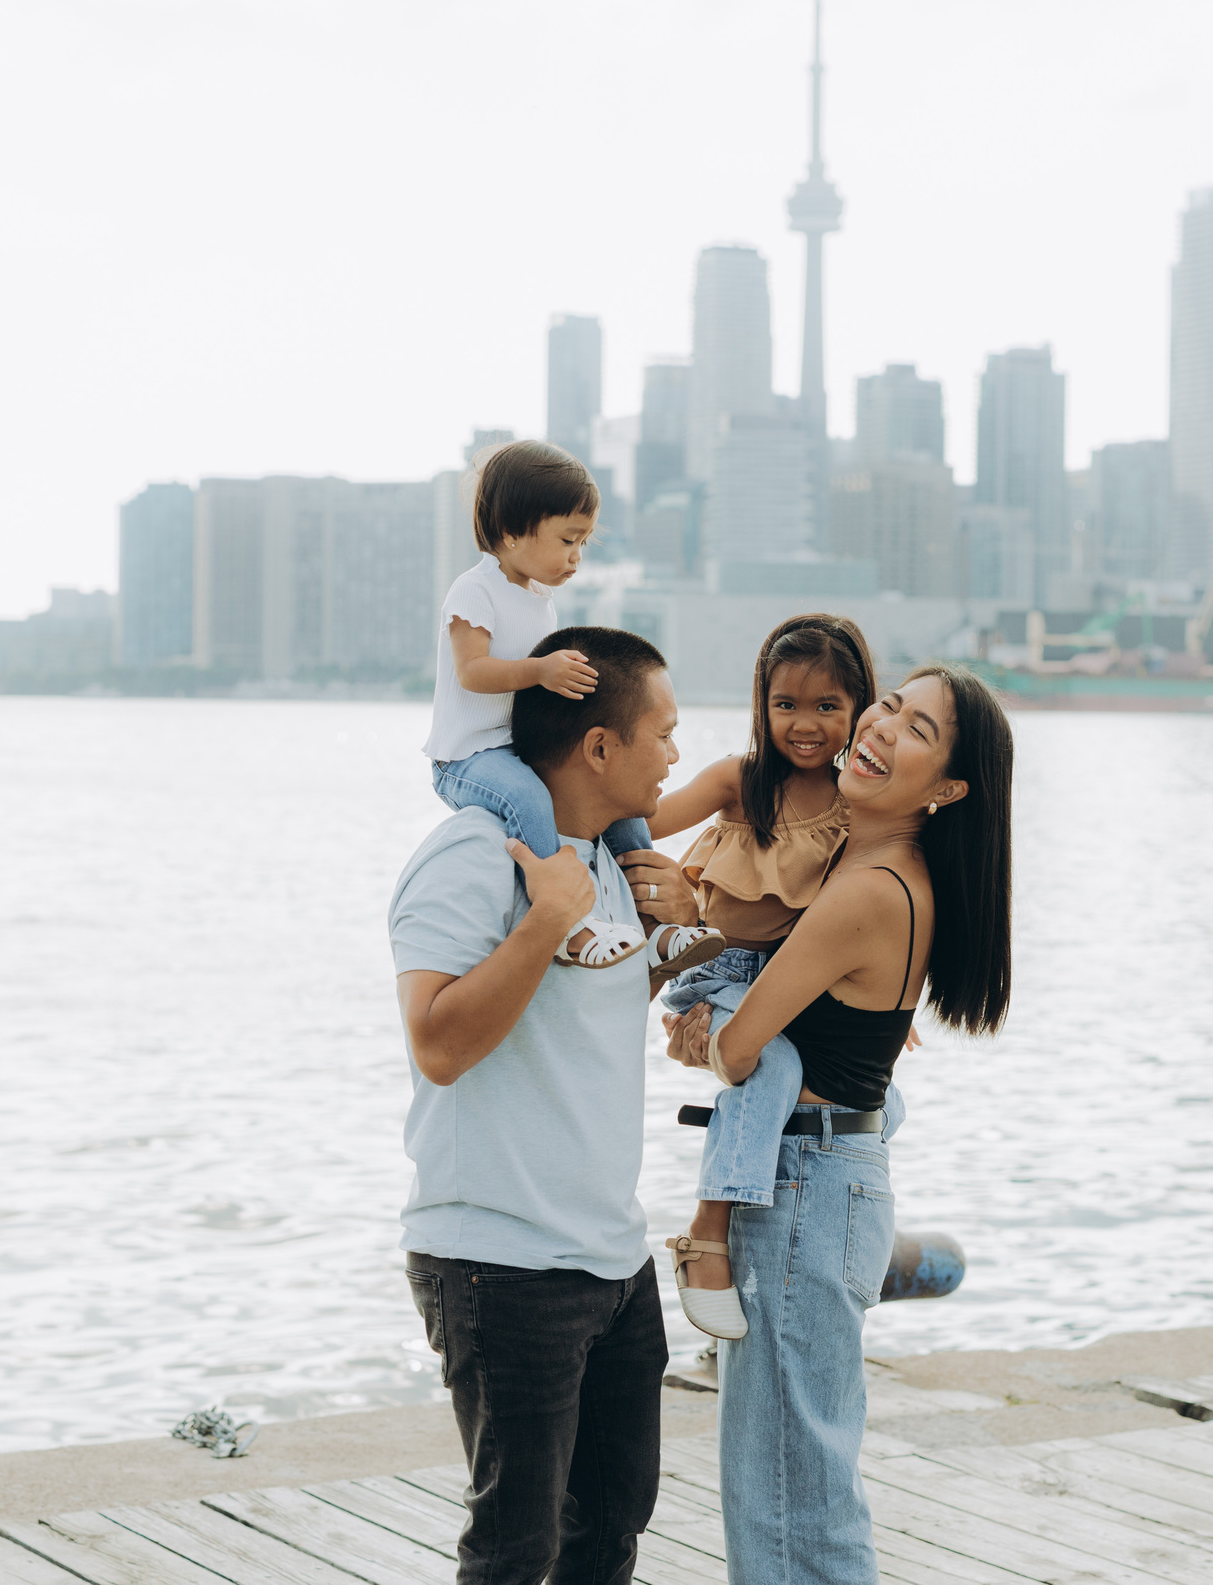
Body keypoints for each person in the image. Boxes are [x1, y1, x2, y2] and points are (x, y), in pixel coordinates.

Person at [664, 663, 1015, 1585]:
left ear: (946, 788)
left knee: (791, 1495)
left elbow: (742, 1051)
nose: (883, 725)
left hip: (809, 1192)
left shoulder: (872, 889)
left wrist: (700, 1035)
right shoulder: (863, 866)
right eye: (891, 703)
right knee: (791, 1484)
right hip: (826, 1180)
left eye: (920, 730)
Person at [391, 626, 708, 1585]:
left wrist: (683, 929)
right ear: (600, 746)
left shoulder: (608, 863)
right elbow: (439, 1043)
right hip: (499, 1261)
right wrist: (542, 921)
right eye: (663, 732)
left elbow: (590, 1007)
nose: (676, 755)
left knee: (610, 1526)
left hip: (612, 1258)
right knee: (513, 1549)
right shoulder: (473, 854)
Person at [639, 614, 880, 1341]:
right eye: (786, 705)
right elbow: (635, 816)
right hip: (717, 973)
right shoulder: (738, 782)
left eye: (827, 706)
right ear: (761, 705)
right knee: (769, 1062)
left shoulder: (857, 809)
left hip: (792, 985)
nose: (805, 724)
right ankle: (709, 1228)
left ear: (859, 708)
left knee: (877, 1100)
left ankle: (841, 1234)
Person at [424, 438, 721, 977]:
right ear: (512, 532)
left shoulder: (539, 598)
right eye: (567, 540)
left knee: (628, 819)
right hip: (468, 757)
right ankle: (563, 922)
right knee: (531, 801)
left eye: (583, 542)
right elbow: (474, 671)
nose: (576, 558)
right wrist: (541, 671)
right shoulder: (474, 591)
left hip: (517, 747)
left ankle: (654, 931)